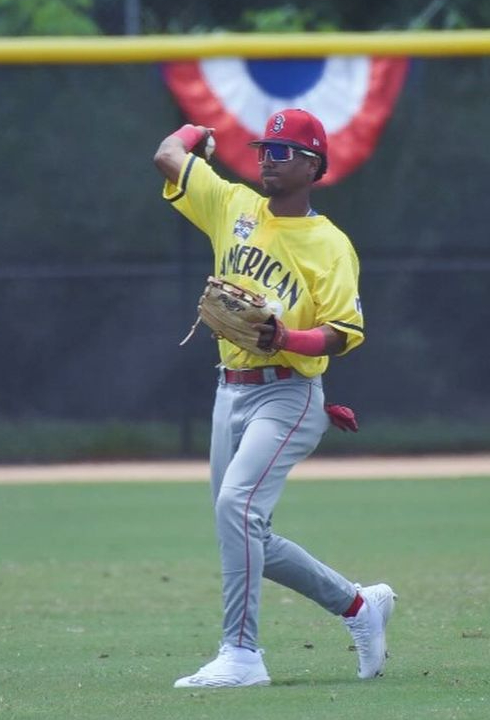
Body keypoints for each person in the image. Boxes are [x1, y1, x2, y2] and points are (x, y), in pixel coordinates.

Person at [153, 108, 396, 688]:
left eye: (282, 152)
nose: (267, 159)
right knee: (244, 529)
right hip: (228, 391)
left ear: (313, 166)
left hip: (288, 394)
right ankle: (358, 605)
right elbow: (167, 155)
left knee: (236, 509)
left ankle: (241, 655)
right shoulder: (231, 205)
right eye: (264, 149)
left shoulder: (329, 244)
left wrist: (289, 338)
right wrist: (197, 132)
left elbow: (343, 331)